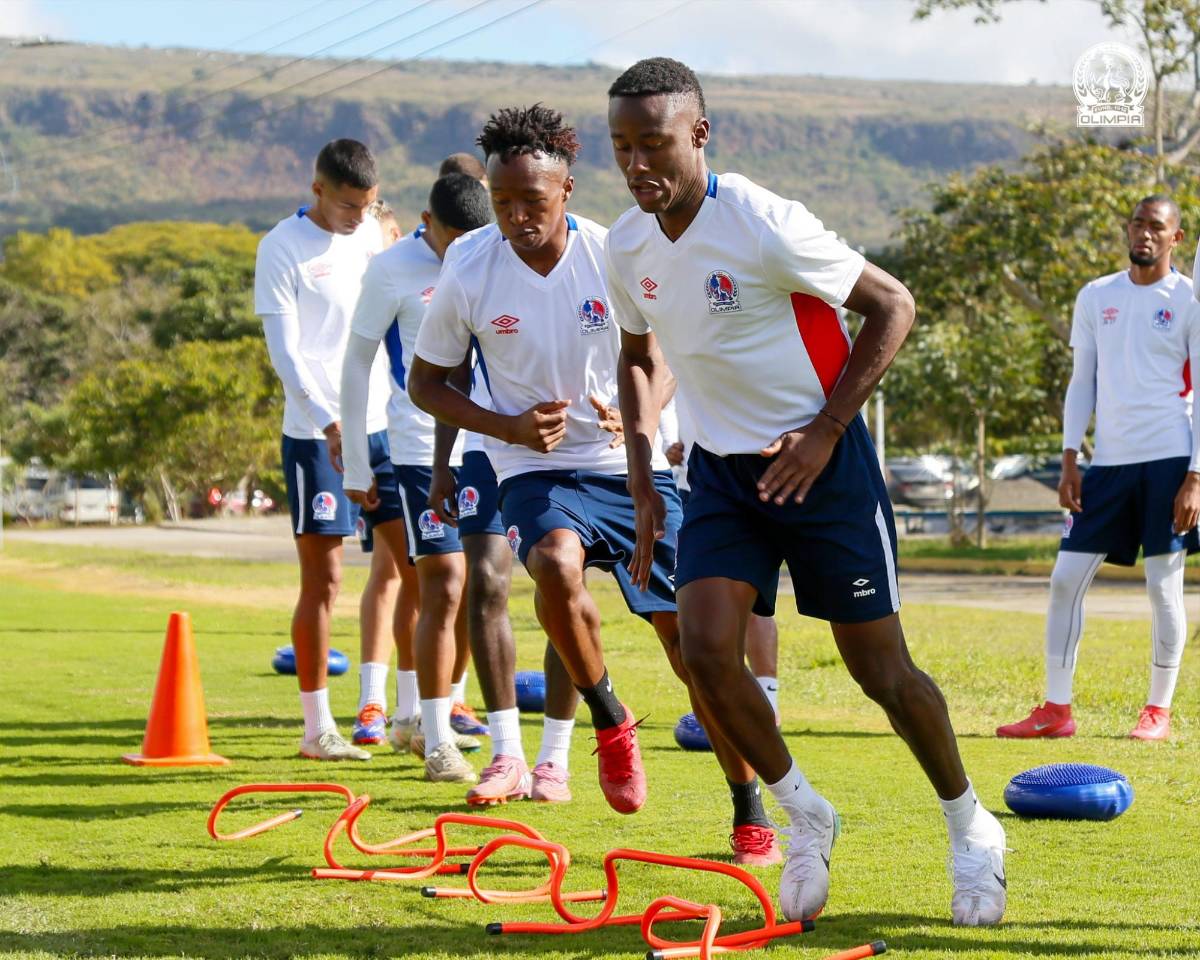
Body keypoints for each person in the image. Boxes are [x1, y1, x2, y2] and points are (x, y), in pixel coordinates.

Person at [604, 58, 1005, 924]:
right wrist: (642, 472)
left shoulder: (762, 222)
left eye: (656, 144)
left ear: (699, 135)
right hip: (719, 472)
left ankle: (970, 826)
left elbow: (892, 305)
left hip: (822, 468)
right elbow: (637, 356)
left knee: (883, 674)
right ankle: (803, 814)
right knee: (707, 650)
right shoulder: (625, 245)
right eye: (622, 147)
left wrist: (825, 430)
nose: (638, 166)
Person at [409, 105, 780, 865]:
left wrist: (644, 410)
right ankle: (611, 720)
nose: (517, 218)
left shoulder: (616, 255)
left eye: (533, 204)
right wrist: (504, 428)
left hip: (628, 468)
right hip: (531, 467)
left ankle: (751, 809)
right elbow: (426, 383)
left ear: (568, 191)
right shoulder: (470, 265)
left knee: (697, 651)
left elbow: (672, 351)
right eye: (505, 203)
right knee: (551, 560)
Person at [998, 196, 1200, 742]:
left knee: (1162, 587)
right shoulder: (1096, 295)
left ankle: (1157, 711)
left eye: (1157, 227)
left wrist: (1196, 476)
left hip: (1169, 458)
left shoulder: (1189, 299)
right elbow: (1081, 380)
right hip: (1106, 464)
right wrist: (1070, 456)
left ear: (1176, 239)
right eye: (1138, 224)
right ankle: (1056, 710)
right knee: (1065, 579)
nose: (1145, 234)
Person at [341, 174, 494, 783]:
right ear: (426, 220)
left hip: (486, 446)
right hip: (413, 450)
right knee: (444, 581)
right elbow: (355, 362)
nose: (461, 251)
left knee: (477, 588)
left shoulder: (491, 254)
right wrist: (356, 461)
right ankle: (435, 742)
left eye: (471, 239)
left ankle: (423, 713)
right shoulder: (391, 270)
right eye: (451, 238)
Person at [254, 138, 404, 761]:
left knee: (418, 566)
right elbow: (286, 355)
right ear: (318, 190)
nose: (356, 217)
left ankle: (413, 716)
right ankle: (317, 729)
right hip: (316, 435)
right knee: (326, 579)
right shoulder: (280, 247)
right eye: (347, 205)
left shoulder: (371, 236)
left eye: (366, 206)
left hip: (386, 425)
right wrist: (327, 422)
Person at [661, 394, 782, 744]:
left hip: (747, 479)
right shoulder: (671, 351)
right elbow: (661, 394)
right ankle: (726, 699)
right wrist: (669, 445)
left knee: (753, 599)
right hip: (692, 488)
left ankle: (767, 702)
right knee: (698, 608)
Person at [348, 198, 417, 746]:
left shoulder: (417, 276)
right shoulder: (379, 279)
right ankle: (378, 701)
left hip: (406, 435)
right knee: (395, 569)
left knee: (418, 573)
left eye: (384, 234)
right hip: (376, 437)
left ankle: (419, 703)